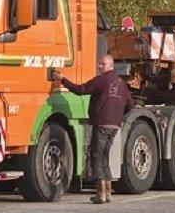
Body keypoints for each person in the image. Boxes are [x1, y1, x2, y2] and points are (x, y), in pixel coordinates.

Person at [50, 54, 134, 204]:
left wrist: (62, 79)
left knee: (96, 157)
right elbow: (130, 105)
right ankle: (108, 193)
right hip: (114, 126)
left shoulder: (102, 80)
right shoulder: (121, 83)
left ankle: (100, 193)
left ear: (110, 65)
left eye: (103, 64)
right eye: (99, 64)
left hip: (101, 124)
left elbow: (80, 90)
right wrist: (116, 115)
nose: (100, 66)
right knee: (105, 157)